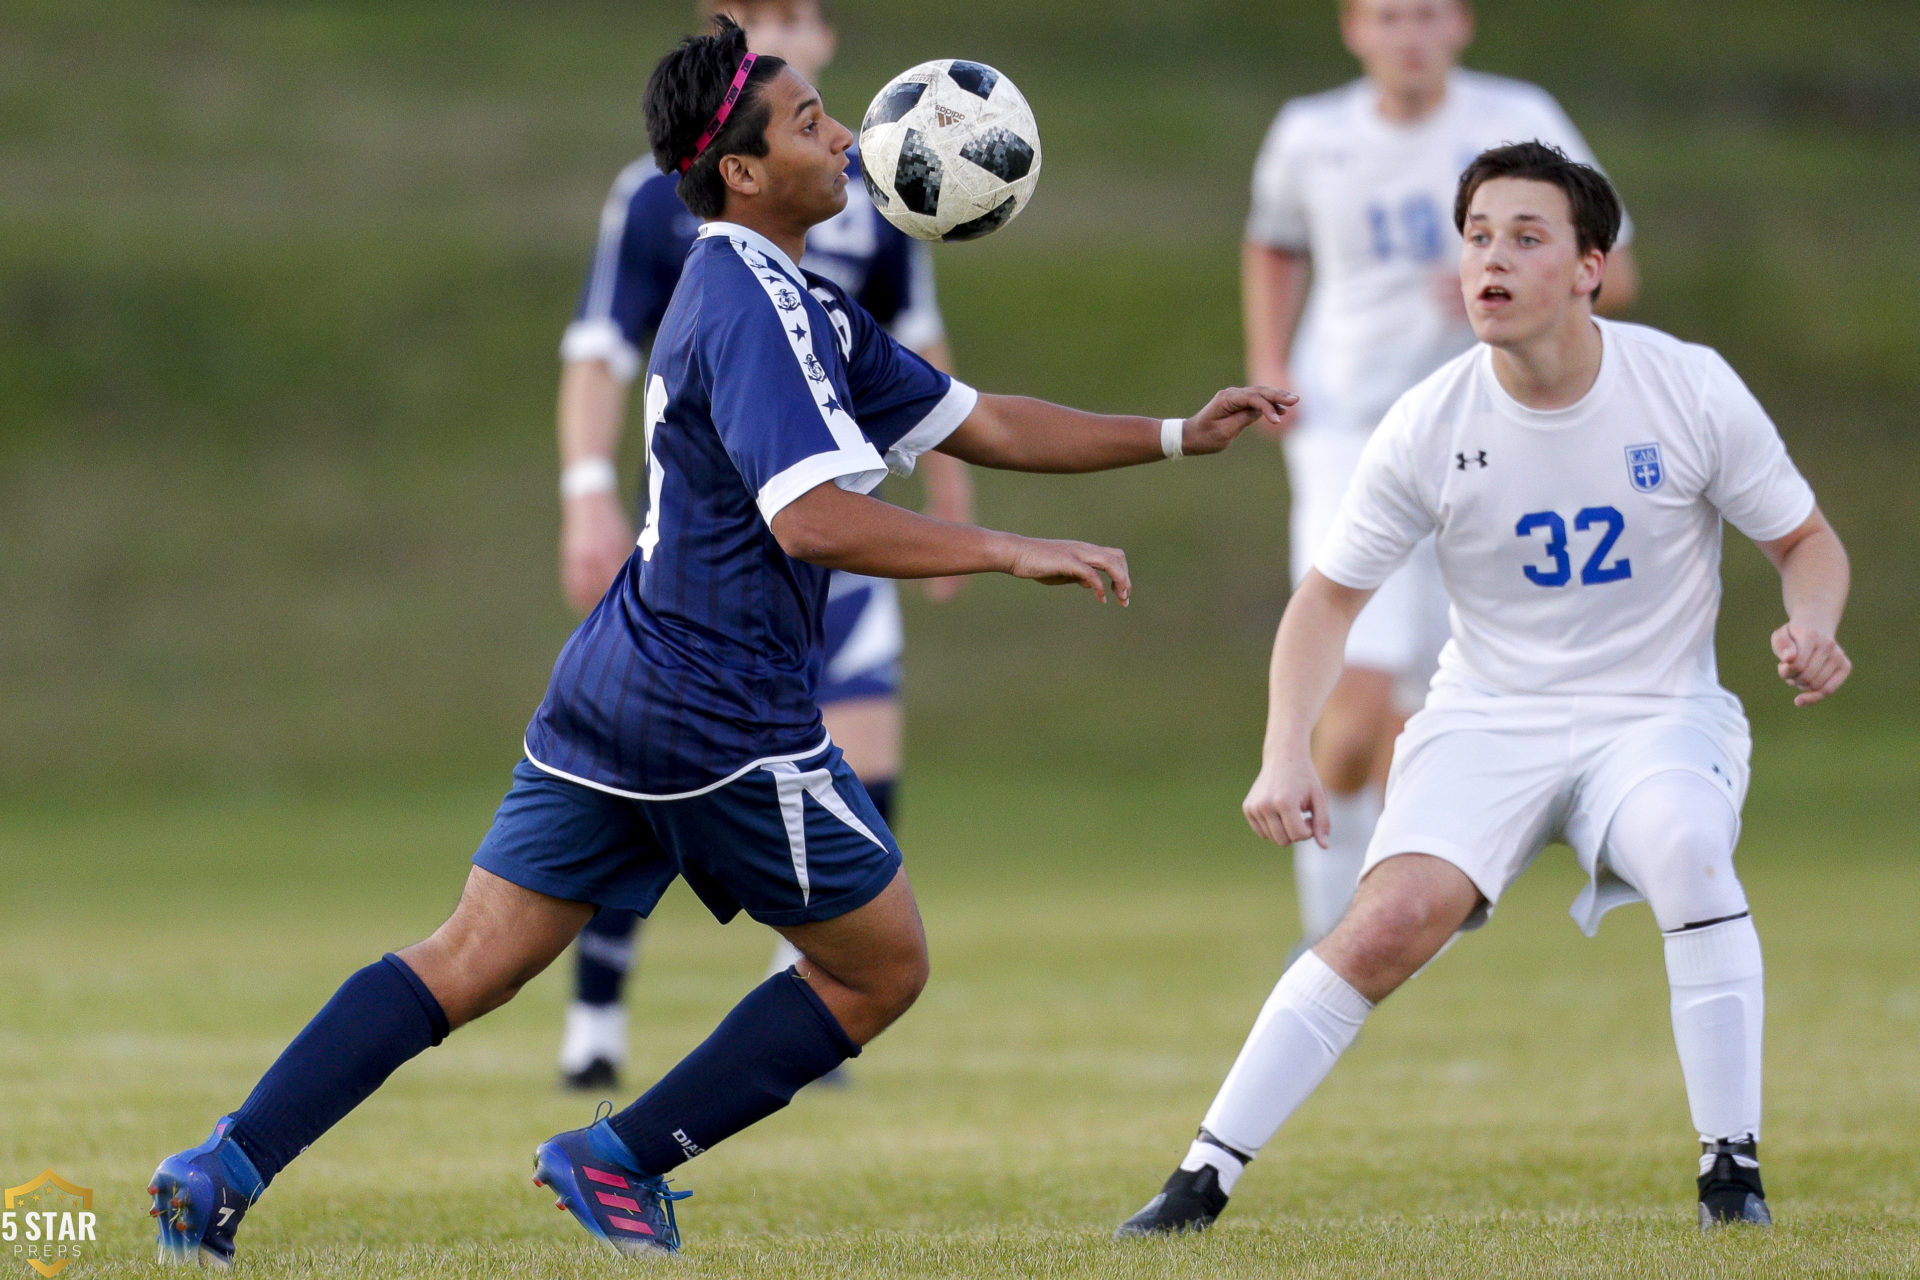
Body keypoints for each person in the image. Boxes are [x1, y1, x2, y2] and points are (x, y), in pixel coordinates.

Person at [149, 17, 1295, 1264]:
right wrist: (1012, 550)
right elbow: (807, 520)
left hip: (615, 683)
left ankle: (223, 1163)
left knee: (469, 955)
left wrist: (1183, 431)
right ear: (742, 171)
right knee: (879, 967)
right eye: (813, 123)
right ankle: (618, 1155)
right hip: (721, 713)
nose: (848, 135)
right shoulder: (747, 298)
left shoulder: (793, 295)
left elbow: (987, 421)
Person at [1118, 142, 1848, 1238]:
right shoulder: (1430, 420)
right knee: (1387, 921)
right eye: (1474, 237)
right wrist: (1285, 747)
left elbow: (1806, 539)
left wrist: (1815, 623)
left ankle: (1729, 1170)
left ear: (1592, 265)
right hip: (1488, 718)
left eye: (1525, 235)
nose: (1489, 260)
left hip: (1655, 716)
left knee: (1690, 844)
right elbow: (1326, 602)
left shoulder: (1685, 386)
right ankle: (1197, 1180)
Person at [554, 0, 972, 1093]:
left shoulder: (875, 195)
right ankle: (597, 1022)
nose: (781, 27)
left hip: (841, 544)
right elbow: (599, 351)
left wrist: (961, 511)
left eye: (798, 15)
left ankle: (814, 985)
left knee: (864, 764)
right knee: (641, 795)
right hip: (722, 552)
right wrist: (587, 489)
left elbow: (927, 372)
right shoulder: (666, 210)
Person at [1244, 0, 1640, 952]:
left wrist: (1516, 289)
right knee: (1358, 691)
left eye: (1426, 14)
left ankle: (1383, 922)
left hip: (1486, 437)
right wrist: (1271, 362)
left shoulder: (1519, 121)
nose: (1407, 34)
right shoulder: (1312, 134)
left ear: (1460, 24)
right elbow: (1273, 243)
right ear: (1352, 28)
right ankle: (1333, 929)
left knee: (1418, 713)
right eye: (1388, 16)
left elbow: (1614, 274)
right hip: (1346, 433)